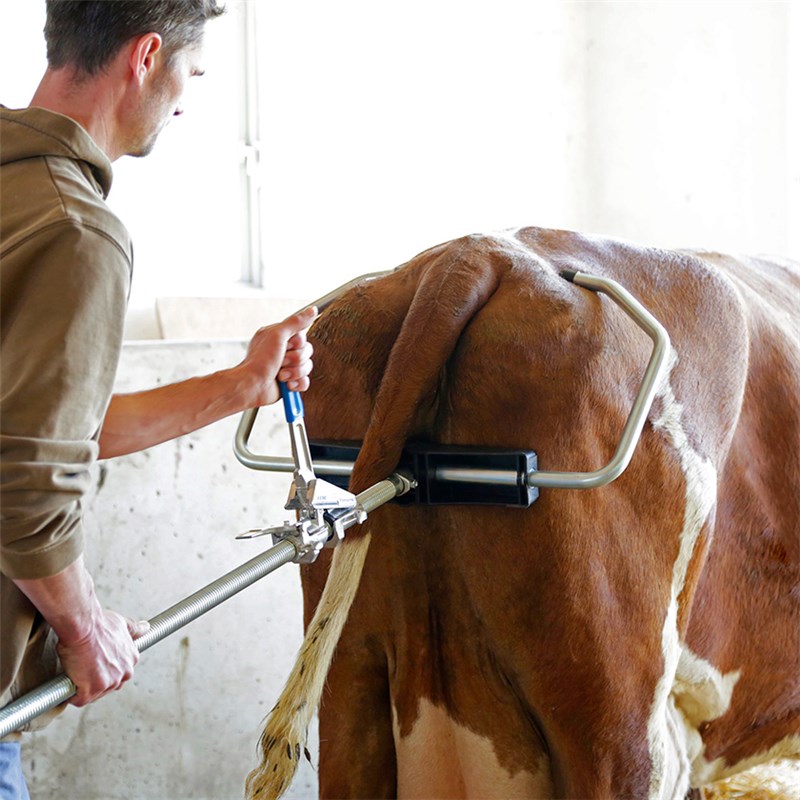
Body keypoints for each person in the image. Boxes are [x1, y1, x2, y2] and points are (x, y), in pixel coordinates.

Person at [0, 3, 316, 796]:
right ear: (146, 56)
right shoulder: (78, 228)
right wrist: (84, 625)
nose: (186, 99)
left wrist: (240, 386)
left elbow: (52, 429)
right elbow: (27, 480)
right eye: (192, 72)